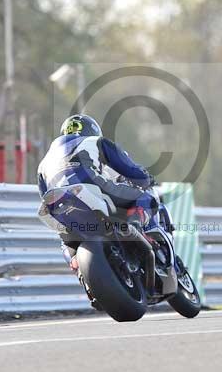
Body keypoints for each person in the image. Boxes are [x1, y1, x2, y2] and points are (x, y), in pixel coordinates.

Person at [37, 114, 156, 271]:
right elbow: (127, 167)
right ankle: (133, 227)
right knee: (147, 198)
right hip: (90, 187)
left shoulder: (43, 163)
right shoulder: (95, 141)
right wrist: (144, 178)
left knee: (66, 238)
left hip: (58, 202)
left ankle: (76, 264)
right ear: (93, 130)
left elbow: (44, 193)